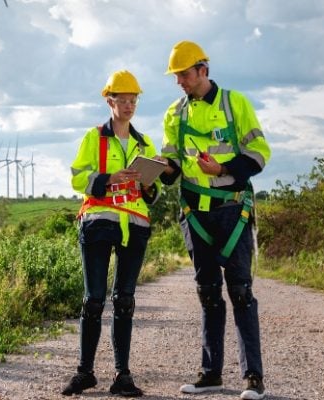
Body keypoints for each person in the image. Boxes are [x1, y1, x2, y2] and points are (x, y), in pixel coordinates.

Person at [159, 41, 271, 400]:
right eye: (176, 77)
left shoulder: (235, 103)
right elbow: (172, 165)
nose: (180, 82)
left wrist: (222, 168)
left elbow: (259, 154)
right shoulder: (174, 114)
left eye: (185, 75)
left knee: (240, 292)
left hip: (232, 210)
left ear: (203, 70)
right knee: (208, 294)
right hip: (195, 215)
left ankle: (253, 378)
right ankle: (211, 375)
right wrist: (160, 169)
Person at [63, 70, 162, 397]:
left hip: (135, 225)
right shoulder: (94, 137)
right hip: (99, 221)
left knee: (125, 300)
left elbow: (154, 194)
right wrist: (110, 178)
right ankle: (85, 373)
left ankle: (122, 376)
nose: (130, 104)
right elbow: (78, 178)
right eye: (123, 99)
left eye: (134, 99)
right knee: (94, 300)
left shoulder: (144, 142)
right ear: (110, 101)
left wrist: (148, 184)